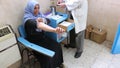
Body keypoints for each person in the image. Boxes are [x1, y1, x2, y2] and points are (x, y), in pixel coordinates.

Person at [23, 0, 65, 68]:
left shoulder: (39, 14)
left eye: (38, 8)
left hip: (42, 38)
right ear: (30, 8)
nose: (37, 10)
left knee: (57, 46)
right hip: (34, 42)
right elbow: (39, 25)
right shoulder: (28, 20)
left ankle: (58, 64)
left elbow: (48, 20)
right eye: (35, 8)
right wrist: (54, 30)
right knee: (47, 56)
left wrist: (43, 20)